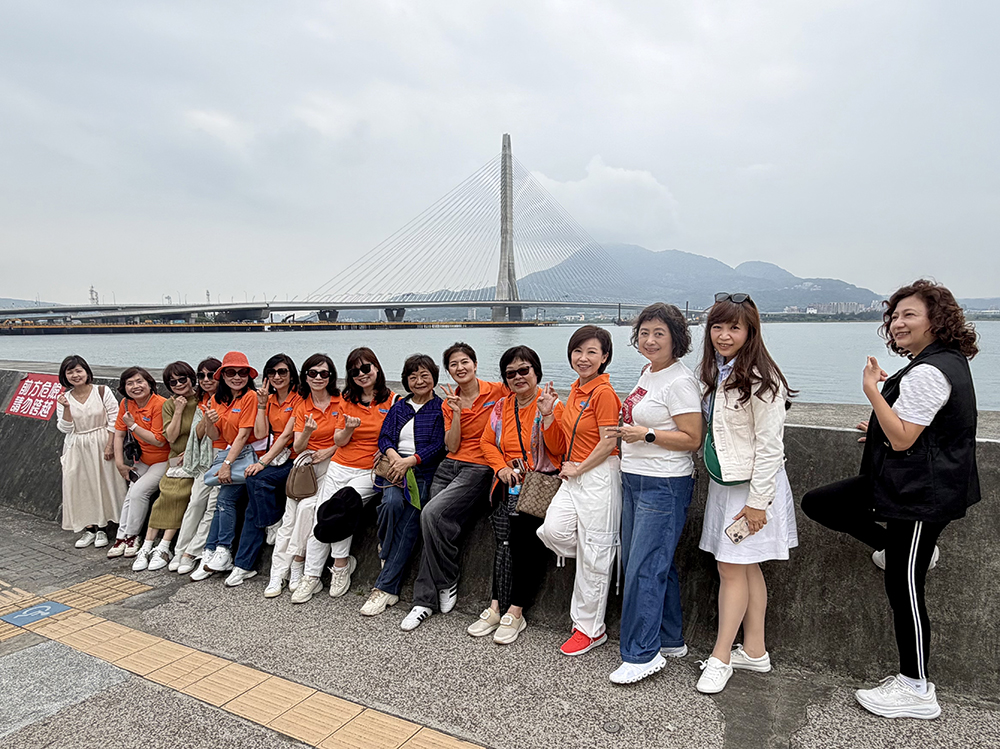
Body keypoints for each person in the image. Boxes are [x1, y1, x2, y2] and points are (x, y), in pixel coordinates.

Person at [802, 280, 980, 720]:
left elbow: (903, 439)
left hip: (920, 495)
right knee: (821, 503)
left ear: (936, 321)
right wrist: (881, 426)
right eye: (895, 316)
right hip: (910, 485)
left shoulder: (928, 371)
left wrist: (872, 391)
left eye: (909, 315)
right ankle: (894, 548)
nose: (898, 323)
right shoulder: (941, 361)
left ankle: (916, 687)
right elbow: (920, 427)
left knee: (905, 588)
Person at [694, 292, 798, 695]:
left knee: (730, 568)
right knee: (747, 566)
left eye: (734, 327)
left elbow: (770, 446)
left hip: (752, 489)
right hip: (728, 484)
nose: (724, 335)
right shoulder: (718, 372)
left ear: (750, 331)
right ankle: (754, 650)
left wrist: (758, 503)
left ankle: (721, 657)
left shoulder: (760, 378)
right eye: (717, 327)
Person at [606, 304, 703, 684]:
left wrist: (645, 434)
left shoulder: (680, 381)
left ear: (676, 338)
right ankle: (669, 638)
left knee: (644, 567)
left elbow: (692, 439)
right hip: (635, 479)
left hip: (663, 483)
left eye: (659, 333)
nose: (649, 340)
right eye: (644, 332)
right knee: (653, 562)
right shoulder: (649, 372)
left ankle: (641, 654)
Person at [400, 343, 506, 631]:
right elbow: (452, 445)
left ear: (475, 364)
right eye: (454, 364)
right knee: (433, 524)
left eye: (465, 362)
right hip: (450, 466)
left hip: (480, 468)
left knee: (431, 514)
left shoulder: (497, 391)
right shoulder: (450, 402)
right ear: (448, 370)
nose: (460, 368)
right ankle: (432, 594)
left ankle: (433, 591)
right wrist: (457, 412)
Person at [537, 325, 623, 657]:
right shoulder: (575, 390)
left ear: (604, 357)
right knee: (553, 530)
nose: (583, 358)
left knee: (595, 553)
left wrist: (580, 468)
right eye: (578, 351)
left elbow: (609, 442)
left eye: (591, 352)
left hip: (598, 475)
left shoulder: (604, 393)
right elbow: (559, 444)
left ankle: (590, 629)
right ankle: (599, 556)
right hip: (574, 473)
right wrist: (548, 414)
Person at [470, 346, 564, 645]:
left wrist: (547, 415)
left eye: (524, 370)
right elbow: (487, 442)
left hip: (537, 486)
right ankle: (495, 605)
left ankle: (516, 610)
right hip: (508, 484)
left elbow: (558, 449)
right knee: (503, 544)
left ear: (536, 371)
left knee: (524, 543)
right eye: (510, 373)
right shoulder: (502, 407)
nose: (518, 377)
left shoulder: (551, 404)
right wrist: (500, 468)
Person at [293, 348, 395, 604]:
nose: (361, 374)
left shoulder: (392, 401)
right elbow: (339, 440)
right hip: (341, 464)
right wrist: (349, 429)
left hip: (369, 471)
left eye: (366, 368)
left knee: (341, 506)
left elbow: (396, 437)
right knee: (322, 513)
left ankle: (340, 566)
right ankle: (312, 575)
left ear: (377, 368)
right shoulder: (347, 400)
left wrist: (385, 449)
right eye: (355, 371)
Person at [361, 354, 446, 616]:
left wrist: (410, 461)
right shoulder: (400, 407)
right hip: (393, 469)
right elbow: (385, 437)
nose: (419, 381)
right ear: (406, 380)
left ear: (434, 378)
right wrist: (395, 458)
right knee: (391, 503)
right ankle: (387, 554)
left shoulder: (440, 408)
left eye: (424, 375)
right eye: (413, 376)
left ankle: (385, 587)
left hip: (420, 472)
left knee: (409, 524)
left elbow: (438, 445)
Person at [265, 353, 341, 598]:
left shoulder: (341, 402)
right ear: (305, 377)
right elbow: (298, 446)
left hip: (331, 464)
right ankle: (278, 574)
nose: (318, 378)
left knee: (308, 509)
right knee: (289, 518)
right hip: (305, 465)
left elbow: (349, 438)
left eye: (324, 373)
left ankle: (298, 564)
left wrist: (329, 450)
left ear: (331, 377)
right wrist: (307, 432)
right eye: (313, 373)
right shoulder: (302, 406)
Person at [226, 354, 301, 587]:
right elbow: (260, 433)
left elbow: (287, 436)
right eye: (272, 372)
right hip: (274, 457)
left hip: (294, 458)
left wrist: (263, 462)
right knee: (253, 504)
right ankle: (243, 565)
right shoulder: (267, 399)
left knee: (257, 481)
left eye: (282, 372)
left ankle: (267, 528)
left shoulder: (300, 398)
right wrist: (260, 405)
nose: (277, 376)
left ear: (291, 374)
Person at [190, 352, 258, 580]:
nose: (237, 377)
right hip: (230, 453)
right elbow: (215, 435)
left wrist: (227, 464)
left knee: (225, 500)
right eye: (231, 372)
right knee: (222, 501)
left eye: (242, 372)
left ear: (248, 376)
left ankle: (222, 550)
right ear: (223, 375)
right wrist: (208, 420)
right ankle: (212, 551)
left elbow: (244, 435)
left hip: (247, 456)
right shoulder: (217, 400)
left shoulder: (250, 397)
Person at [132, 362, 200, 572]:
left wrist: (190, 452)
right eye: (173, 382)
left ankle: (164, 546)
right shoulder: (170, 405)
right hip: (175, 457)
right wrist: (178, 410)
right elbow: (170, 437)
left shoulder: (202, 400)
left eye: (182, 379)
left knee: (179, 494)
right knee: (165, 493)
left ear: (191, 378)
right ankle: (147, 545)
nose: (179, 384)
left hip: (195, 458)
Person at [55, 355, 125, 549]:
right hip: (77, 445)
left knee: (102, 483)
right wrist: (66, 408)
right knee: (80, 486)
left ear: (86, 372)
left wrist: (110, 446)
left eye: (79, 370)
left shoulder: (102, 391)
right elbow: (65, 428)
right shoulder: (64, 398)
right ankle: (89, 528)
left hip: (101, 441)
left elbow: (115, 419)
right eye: (70, 372)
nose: (75, 375)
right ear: (64, 376)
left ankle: (103, 528)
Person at [108, 367, 170, 559]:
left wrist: (133, 425)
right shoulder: (126, 404)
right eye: (130, 383)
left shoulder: (160, 404)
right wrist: (120, 464)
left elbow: (159, 441)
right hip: (142, 460)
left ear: (150, 383)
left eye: (139, 381)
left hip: (163, 460)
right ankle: (121, 536)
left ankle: (133, 536)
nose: (135, 386)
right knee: (130, 493)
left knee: (139, 492)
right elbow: (119, 435)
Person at [170, 357, 222, 574]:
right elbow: (198, 435)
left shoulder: (229, 399)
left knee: (213, 505)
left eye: (211, 375)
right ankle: (180, 550)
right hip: (204, 459)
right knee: (196, 503)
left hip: (223, 456)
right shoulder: (203, 401)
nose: (206, 379)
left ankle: (192, 552)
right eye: (201, 376)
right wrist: (207, 416)